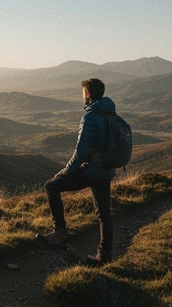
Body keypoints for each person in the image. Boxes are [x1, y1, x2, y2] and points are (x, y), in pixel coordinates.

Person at [36, 78, 116, 265]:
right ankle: (105, 256)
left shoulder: (90, 117)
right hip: (106, 171)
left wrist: (65, 171)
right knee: (104, 214)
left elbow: (80, 152)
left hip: (93, 171)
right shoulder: (110, 113)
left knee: (51, 186)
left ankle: (60, 233)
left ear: (87, 93)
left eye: (83, 92)